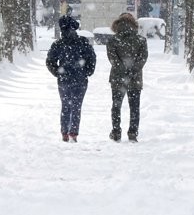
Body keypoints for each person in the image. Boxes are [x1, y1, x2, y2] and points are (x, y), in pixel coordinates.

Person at [46, 15, 97, 142]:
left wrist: (58, 72)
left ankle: (64, 132)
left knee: (65, 105)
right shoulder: (83, 42)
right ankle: (73, 132)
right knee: (76, 105)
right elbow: (92, 58)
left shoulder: (58, 44)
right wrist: (87, 72)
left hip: (64, 80)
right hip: (80, 79)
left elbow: (50, 61)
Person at [106, 12, 148, 142]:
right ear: (133, 24)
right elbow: (143, 58)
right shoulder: (141, 40)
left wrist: (122, 71)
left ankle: (116, 132)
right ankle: (133, 133)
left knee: (116, 106)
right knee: (134, 107)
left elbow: (113, 59)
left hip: (118, 79)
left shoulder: (113, 40)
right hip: (135, 79)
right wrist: (132, 71)